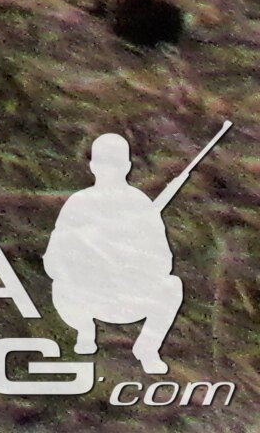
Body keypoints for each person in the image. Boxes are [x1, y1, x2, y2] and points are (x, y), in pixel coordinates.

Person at [46, 133, 187, 375]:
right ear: (92, 166)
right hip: (87, 296)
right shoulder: (78, 203)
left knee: (172, 286)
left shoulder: (141, 205)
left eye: (115, 163)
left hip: (129, 295)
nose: (109, 170)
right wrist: (87, 262)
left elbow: (163, 260)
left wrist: (131, 259)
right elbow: (53, 259)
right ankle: (85, 331)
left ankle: (147, 348)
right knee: (60, 286)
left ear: (127, 167)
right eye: (103, 163)